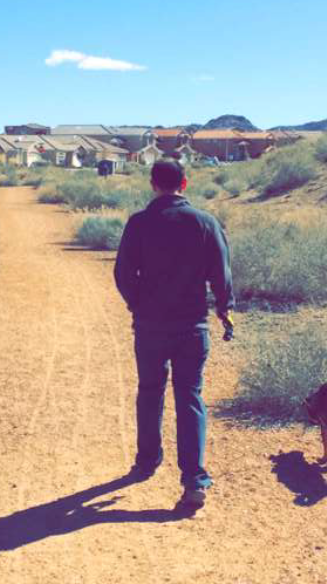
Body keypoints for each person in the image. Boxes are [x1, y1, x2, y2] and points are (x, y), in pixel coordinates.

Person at [114, 158, 234, 512]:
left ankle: (146, 460)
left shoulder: (139, 223)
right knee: (190, 396)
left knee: (149, 391)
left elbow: (123, 273)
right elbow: (222, 275)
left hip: (150, 326)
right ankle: (194, 480)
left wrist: (138, 304)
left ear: (153, 184)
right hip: (192, 326)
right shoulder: (205, 222)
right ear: (186, 183)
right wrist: (224, 309)